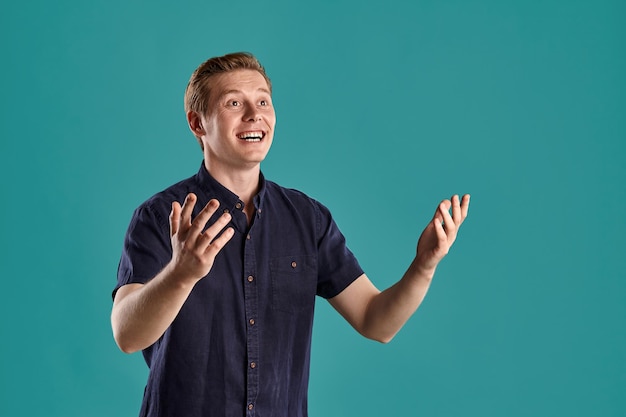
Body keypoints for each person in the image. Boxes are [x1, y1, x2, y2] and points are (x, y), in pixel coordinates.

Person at [111, 52, 470, 417]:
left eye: (263, 101)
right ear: (197, 123)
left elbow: (376, 321)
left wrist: (424, 265)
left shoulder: (306, 218)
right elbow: (127, 333)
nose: (255, 115)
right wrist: (181, 274)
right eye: (234, 102)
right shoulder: (161, 216)